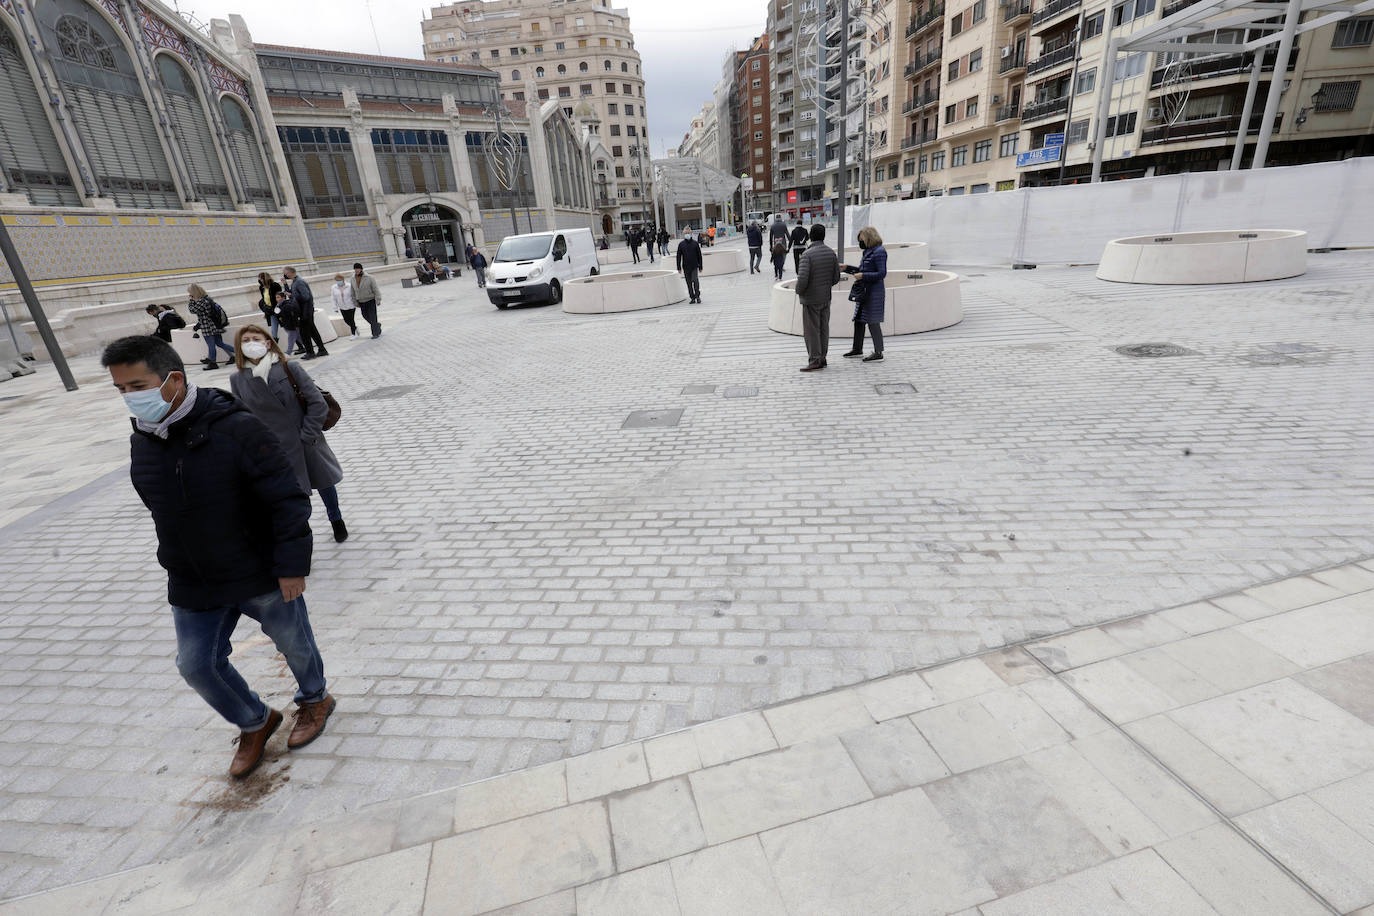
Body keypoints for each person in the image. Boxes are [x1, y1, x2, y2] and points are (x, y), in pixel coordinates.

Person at [100, 335, 334, 779]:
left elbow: (287, 497)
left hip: (259, 569)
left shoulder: (237, 427)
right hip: (193, 578)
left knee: (295, 645)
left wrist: (291, 565)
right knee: (196, 664)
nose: (130, 398)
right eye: (121, 390)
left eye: (137, 385)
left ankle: (315, 699)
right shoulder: (144, 440)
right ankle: (256, 720)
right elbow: (157, 506)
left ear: (172, 380)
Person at [230, 325, 348, 544]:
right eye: (245, 340)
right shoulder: (237, 379)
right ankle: (302, 534)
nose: (250, 343)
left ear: (267, 343)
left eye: (256, 338)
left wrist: (308, 433)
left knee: (323, 481)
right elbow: (241, 415)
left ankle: (336, 518)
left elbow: (317, 403)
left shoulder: (288, 368)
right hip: (273, 447)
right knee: (292, 494)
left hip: (305, 438)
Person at [795, 223, 841, 372]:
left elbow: (802, 279)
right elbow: (836, 277)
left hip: (810, 299)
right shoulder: (831, 253)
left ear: (810, 236)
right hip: (825, 297)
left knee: (812, 330)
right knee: (823, 328)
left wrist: (799, 291)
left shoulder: (807, 255)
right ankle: (822, 357)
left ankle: (814, 359)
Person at [842, 226, 888, 362]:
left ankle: (878, 352)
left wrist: (863, 276)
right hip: (865, 291)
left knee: (873, 322)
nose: (860, 243)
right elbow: (862, 270)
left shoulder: (879, 252)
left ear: (869, 238)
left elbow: (882, 273)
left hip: (874, 292)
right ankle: (857, 349)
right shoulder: (868, 251)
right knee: (859, 320)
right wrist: (847, 268)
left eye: (861, 240)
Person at [283, 267, 327, 360]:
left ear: (289, 273)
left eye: (285, 273)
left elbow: (305, 296)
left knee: (305, 333)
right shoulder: (295, 282)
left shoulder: (299, 282)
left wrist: (293, 296)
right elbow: (295, 295)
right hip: (305, 311)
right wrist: (286, 287)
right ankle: (322, 350)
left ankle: (310, 353)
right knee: (312, 331)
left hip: (305, 312)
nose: (285, 275)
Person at [187, 283, 233, 371]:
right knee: (220, 343)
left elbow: (193, 310)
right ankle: (237, 354)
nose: (189, 295)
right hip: (214, 326)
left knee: (211, 345)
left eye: (190, 293)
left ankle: (213, 363)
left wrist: (191, 301)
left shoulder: (201, 301)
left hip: (208, 327)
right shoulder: (206, 299)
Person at [351, 263, 382, 339]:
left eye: (357, 268)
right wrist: (355, 301)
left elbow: (375, 289)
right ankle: (376, 325)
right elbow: (352, 291)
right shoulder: (352, 279)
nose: (356, 270)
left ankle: (375, 333)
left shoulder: (369, 277)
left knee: (372, 316)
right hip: (361, 301)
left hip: (370, 300)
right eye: (355, 269)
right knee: (365, 316)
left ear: (361, 269)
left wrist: (378, 299)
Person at [676, 230, 703, 304]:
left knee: (695, 280)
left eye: (688, 233)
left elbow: (699, 255)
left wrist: (700, 266)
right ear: (683, 234)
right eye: (685, 233)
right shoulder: (681, 244)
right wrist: (678, 267)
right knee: (689, 283)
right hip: (686, 267)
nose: (687, 234)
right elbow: (678, 256)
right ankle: (692, 297)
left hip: (694, 266)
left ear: (691, 234)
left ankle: (697, 296)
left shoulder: (695, 243)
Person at [275, 289, 302, 357]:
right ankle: (308, 348)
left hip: (291, 325)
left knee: (291, 339)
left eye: (278, 297)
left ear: (283, 298)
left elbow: (293, 316)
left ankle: (288, 352)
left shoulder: (287, 305)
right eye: (276, 297)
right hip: (286, 325)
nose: (276, 299)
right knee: (299, 338)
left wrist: (296, 325)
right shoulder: (279, 305)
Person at [330, 273, 357, 340]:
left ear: (343, 279)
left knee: (351, 319)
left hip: (351, 306)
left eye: (340, 280)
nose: (338, 282)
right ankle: (355, 328)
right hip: (342, 307)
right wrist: (335, 307)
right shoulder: (334, 287)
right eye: (337, 280)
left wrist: (356, 303)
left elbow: (354, 295)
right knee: (346, 320)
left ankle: (353, 334)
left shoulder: (349, 286)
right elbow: (333, 298)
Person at [256, 272, 282, 341]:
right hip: (271, 311)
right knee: (273, 330)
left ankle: (301, 345)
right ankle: (274, 345)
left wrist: (279, 308)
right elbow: (264, 300)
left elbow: (280, 298)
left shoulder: (274, 286)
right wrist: (265, 312)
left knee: (287, 327)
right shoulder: (262, 288)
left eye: (261, 279)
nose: (259, 280)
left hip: (278, 310)